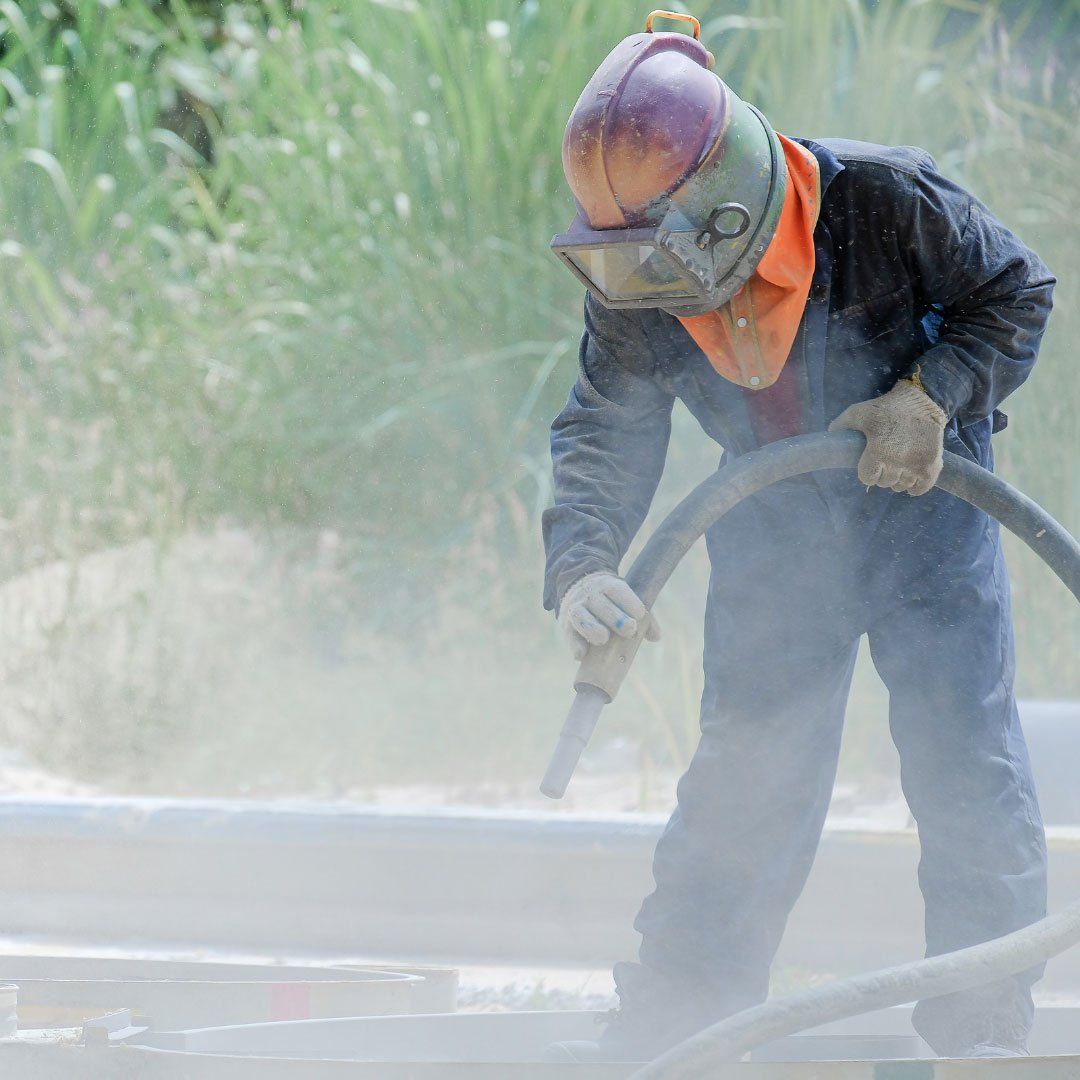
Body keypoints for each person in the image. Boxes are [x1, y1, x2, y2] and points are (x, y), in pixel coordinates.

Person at [542, 13, 1055, 1063]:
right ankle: (682, 1027)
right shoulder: (642, 270)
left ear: (726, 204)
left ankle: (983, 1038)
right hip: (771, 534)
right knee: (745, 780)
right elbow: (607, 425)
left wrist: (932, 396)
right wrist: (584, 567)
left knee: (965, 772)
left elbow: (1016, 292)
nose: (653, 282)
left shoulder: (886, 200)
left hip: (927, 518)